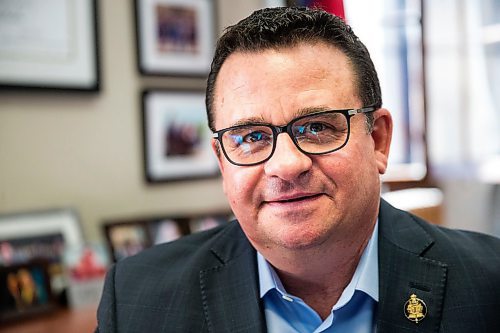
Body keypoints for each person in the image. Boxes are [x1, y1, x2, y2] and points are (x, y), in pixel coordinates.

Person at [96, 7, 500, 332]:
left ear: (377, 140)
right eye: (251, 136)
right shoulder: (135, 297)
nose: (286, 165)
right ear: (222, 162)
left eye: (317, 127)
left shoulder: (490, 282)